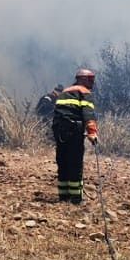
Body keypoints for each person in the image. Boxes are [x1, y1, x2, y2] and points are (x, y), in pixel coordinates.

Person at [51, 68, 98, 204]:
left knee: (63, 162)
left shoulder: (64, 92)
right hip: (74, 132)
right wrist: (92, 133)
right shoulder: (84, 93)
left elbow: (57, 113)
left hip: (60, 132)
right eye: (90, 80)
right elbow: (88, 114)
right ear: (82, 79)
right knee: (75, 164)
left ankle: (63, 197)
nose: (91, 83)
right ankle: (76, 199)